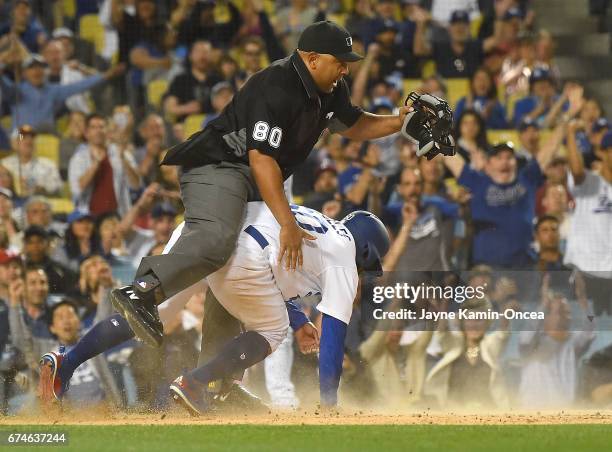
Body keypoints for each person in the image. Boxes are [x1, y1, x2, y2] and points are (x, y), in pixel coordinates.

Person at [109, 21, 415, 350]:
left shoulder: (330, 89)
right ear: (312, 59)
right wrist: (287, 224)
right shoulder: (279, 83)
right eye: (339, 61)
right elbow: (262, 159)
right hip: (221, 165)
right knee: (216, 242)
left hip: (253, 179)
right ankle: (141, 291)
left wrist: (401, 121)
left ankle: (212, 380)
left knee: (234, 272)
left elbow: (353, 124)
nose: (345, 68)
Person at [40, 203, 389, 411]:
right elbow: (333, 337)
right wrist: (329, 403)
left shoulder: (323, 227)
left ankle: (66, 364)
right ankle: (197, 383)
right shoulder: (344, 253)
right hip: (242, 256)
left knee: (149, 316)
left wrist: (299, 320)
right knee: (271, 329)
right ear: (366, 250)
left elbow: (280, 271)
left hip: (205, 230)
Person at [442, 140, 556, 268]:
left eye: (509, 157)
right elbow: (452, 160)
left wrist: (565, 123)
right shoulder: (477, 182)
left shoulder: (527, 179)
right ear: (489, 164)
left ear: (516, 163)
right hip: (487, 269)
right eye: (499, 157)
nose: (505, 162)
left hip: (524, 267)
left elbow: (548, 151)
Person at [0, 54, 124, 132]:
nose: (37, 71)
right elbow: (4, 84)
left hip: (46, 135)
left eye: (40, 67)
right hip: (22, 135)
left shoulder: (53, 90)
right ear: (24, 73)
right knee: (21, 135)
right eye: (32, 68)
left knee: (58, 143)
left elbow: (79, 86)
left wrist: (106, 75)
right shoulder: (17, 91)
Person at [564, 127, 612, 316]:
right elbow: (576, 170)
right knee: (585, 334)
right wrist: (570, 132)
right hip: (588, 273)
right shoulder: (589, 183)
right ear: (603, 152)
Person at [68, 114, 141, 217]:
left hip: (118, 217)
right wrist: (96, 163)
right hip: (89, 218)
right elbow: (76, 189)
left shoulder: (121, 153)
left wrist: (124, 160)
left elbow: (136, 184)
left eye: (101, 127)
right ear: (86, 133)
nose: (98, 131)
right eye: (93, 127)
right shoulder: (78, 158)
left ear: (107, 131)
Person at [1, 125, 62, 197]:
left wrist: (39, 188)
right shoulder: (4, 164)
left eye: (31, 137)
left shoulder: (48, 164)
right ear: (13, 143)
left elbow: (57, 188)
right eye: (22, 137)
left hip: (39, 202)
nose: (28, 140)